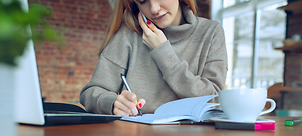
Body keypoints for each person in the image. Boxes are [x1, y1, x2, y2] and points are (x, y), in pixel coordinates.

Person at [80, 0, 227, 117]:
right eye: (142, 1)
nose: (154, 9)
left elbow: (214, 100)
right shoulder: (128, 35)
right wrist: (113, 104)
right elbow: (91, 92)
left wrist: (162, 52)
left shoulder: (211, 32)